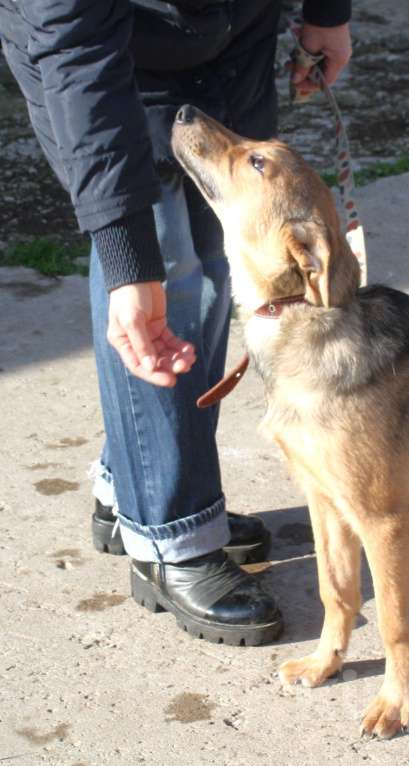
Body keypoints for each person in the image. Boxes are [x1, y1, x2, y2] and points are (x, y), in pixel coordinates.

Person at [0, 0, 352, 646]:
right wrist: (127, 261)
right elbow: (77, 53)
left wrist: (326, 11)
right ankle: (170, 536)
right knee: (162, 265)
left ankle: (131, 486)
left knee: (221, 264)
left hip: (232, 32)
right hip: (108, 61)